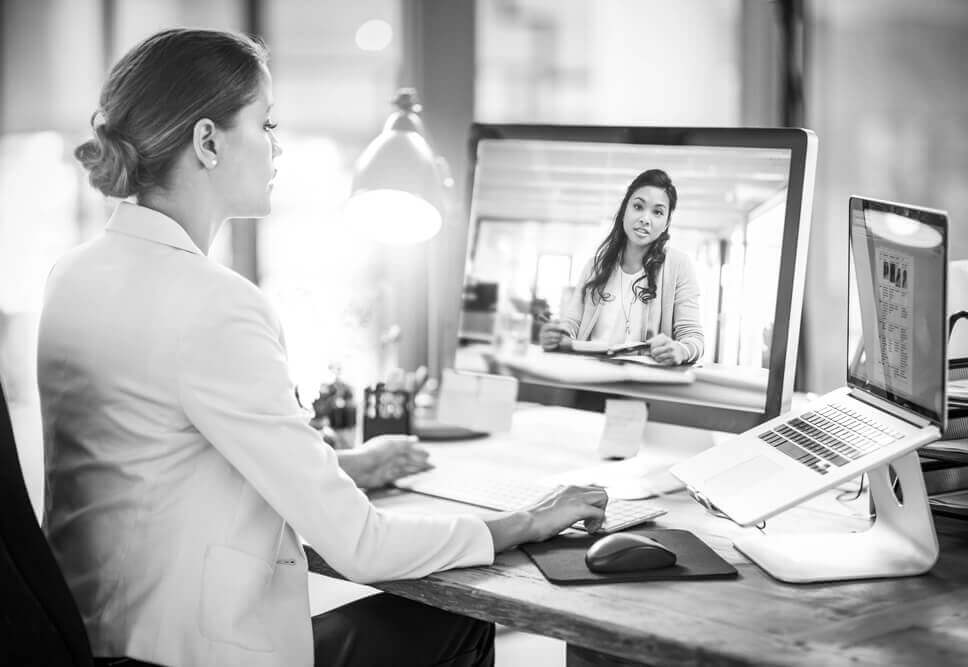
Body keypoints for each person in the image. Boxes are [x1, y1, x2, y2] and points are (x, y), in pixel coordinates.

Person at [38, 28, 607, 667]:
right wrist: (526, 521)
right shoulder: (217, 306)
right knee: (455, 623)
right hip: (194, 654)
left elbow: (158, 457)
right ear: (207, 142)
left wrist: (348, 466)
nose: (278, 148)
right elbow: (361, 547)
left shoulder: (74, 275)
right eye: (266, 123)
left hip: (98, 640)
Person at [539, 169, 704, 366]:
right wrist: (557, 336)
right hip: (588, 378)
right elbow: (572, 324)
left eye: (657, 212)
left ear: (666, 223)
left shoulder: (679, 266)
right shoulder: (595, 266)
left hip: (642, 384)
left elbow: (694, 339)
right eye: (638, 206)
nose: (645, 219)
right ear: (625, 210)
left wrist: (681, 350)